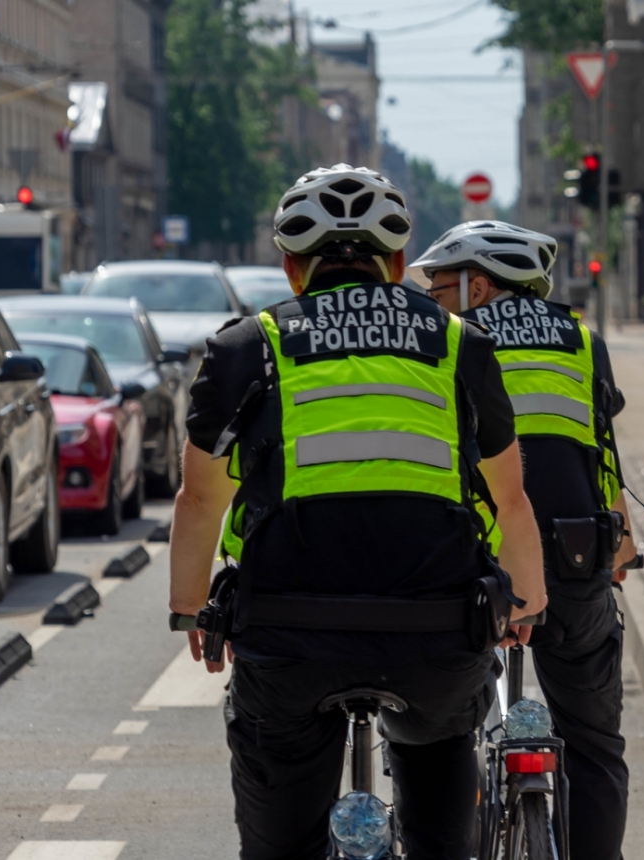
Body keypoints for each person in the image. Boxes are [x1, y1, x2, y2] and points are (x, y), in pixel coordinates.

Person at [168, 165, 547, 860]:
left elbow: (199, 501)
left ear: (291, 269)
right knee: (440, 806)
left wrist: (190, 609)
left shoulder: (247, 346)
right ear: (397, 263)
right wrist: (526, 604)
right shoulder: (461, 343)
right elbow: (509, 497)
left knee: (280, 840)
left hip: (288, 634)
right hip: (433, 632)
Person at [411, 221, 638, 860]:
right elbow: (602, 457)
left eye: (440, 286)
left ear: (478, 286)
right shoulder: (583, 340)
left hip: (475, 567)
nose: (432, 300)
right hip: (574, 559)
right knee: (595, 744)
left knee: (440, 735)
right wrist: (621, 551)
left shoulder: (451, 343)